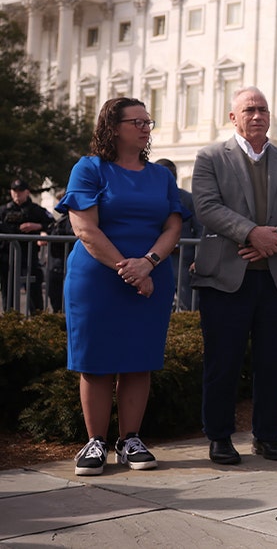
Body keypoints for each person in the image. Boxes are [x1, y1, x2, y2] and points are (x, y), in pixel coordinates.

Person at [55, 98, 185, 475]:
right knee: (95, 363)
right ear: (112, 127)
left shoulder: (161, 176)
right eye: (137, 121)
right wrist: (128, 269)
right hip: (98, 279)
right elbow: (85, 228)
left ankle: (130, 439)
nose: (146, 128)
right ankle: (94, 443)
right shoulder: (89, 168)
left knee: (138, 361)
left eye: (149, 121)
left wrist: (148, 264)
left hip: (151, 276)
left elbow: (173, 227)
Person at [192, 86, 277, 465]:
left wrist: (275, 239)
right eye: (249, 109)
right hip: (226, 280)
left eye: (263, 109)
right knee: (223, 362)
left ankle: (268, 436)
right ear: (234, 117)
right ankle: (219, 437)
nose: (257, 115)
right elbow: (207, 207)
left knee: (275, 364)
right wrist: (251, 233)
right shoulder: (210, 157)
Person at [153, 159, 202, 311]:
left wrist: (198, 258)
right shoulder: (148, 198)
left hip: (182, 260)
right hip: (152, 259)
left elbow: (200, 229)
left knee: (186, 303)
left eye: (172, 173)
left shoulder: (188, 199)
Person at [1, 178, 53, 312]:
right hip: (8, 257)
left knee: (34, 291)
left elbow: (53, 225)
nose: (17, 194)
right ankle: (11, 323)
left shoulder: (36, 210)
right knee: (8, 291)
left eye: (20, 191)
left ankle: (37, 324)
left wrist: (38, 227)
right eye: (14, 191)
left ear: (27, 192)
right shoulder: (4, 210)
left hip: (29, 257)